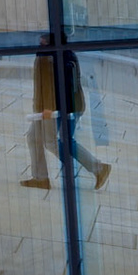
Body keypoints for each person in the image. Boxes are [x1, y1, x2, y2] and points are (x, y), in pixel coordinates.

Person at [22, 51, 110, 191]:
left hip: (56, 108)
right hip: (57, 107)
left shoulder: (53, 56)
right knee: (34, 137)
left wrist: (49, 108)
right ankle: (41, 178)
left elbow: (59, 86)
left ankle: (97, 168)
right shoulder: (58, 54)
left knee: (53, 142)